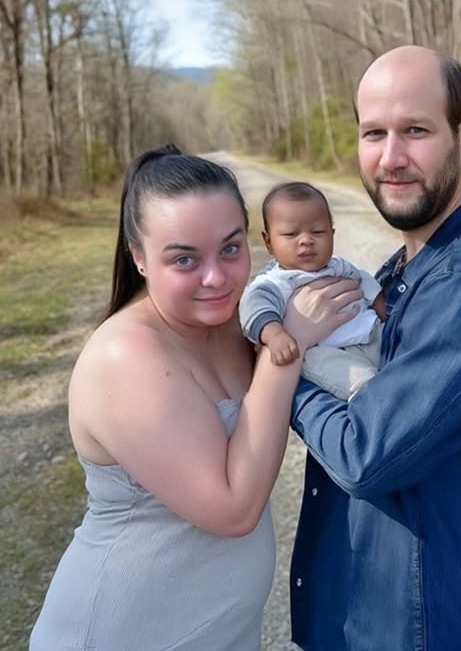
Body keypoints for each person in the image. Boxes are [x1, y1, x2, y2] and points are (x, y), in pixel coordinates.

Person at [29, 145, 359, 651]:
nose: (217, 278)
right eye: (185, 258)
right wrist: (288, 349)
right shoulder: (126, 354)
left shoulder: (234, 325)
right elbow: (233, 509)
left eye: (230, 249)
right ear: (138, 256)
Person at [287, 45, 461, 650]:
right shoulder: (404, 271)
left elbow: (366, 453)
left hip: (441, 628)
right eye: (374, 133)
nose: (391, 158)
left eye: (415, 130)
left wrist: (289, 364)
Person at [239, 180, 386, 400]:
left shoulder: (339, 266)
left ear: (332, 234)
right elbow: (254, 308)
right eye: (291, 234)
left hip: (370, 333)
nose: (306, 241)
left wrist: (386, 315)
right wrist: (275, 335)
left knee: (407, 350)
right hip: (325, 352)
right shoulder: (274, 281)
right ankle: (374, 401)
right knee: (363, 382)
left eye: (317, 232)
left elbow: (367, 285)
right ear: (268, 243)